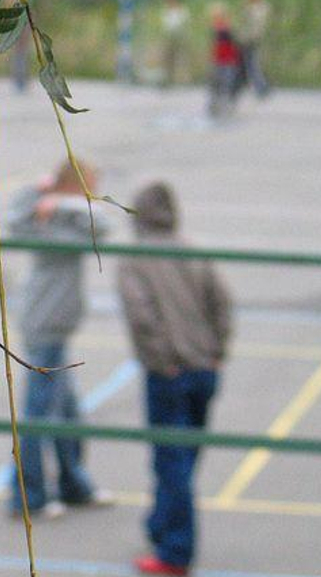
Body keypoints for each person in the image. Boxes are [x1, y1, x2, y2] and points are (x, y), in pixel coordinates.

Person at [117, 182, 232, 575]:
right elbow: (223, 303)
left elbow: (141, 316)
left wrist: (162, 360)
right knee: (186, 457)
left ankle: (176, 551)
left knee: (172, 461)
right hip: (204, 369)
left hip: (170, 373)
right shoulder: (193, 249)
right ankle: (161, 524)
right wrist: (217, 353)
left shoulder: (135, 259)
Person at [6, 160, 114, 519]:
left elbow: (104, 223)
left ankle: (73, 484)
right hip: (44, 326)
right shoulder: (48, 226)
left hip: (57, 328)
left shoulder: (66, 217)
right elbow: (13, 221)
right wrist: (39, 190)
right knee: (39, 413)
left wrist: (62, 201)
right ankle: (27, 494)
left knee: (67, 412)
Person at [207, 3, 239, 119]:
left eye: (219, 15)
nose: (217, 18)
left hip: (228, 60)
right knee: (215, 83)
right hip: (218, 60)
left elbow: (232, 45)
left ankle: (226, 104)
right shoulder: (215, 28)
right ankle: (214, 104)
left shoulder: (228, 28)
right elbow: (214, 45)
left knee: (227, 83)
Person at [237, 0, 270, 98]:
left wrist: (247, 8)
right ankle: (242, 85)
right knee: (244, 65)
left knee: (252, 65)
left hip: (251, 40)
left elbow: (253, 23)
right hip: (246, 39)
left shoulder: (260, 8)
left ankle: (261, 87)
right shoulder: (254, 8)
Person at [160, 0, 190, 87]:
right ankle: (169, 79)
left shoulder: (182, 10)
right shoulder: (166, 11)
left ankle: (182, 80)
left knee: (181, 58)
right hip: (169, 37)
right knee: (168, 58)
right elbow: (165, 26)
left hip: (180, 37)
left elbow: (185, 24)